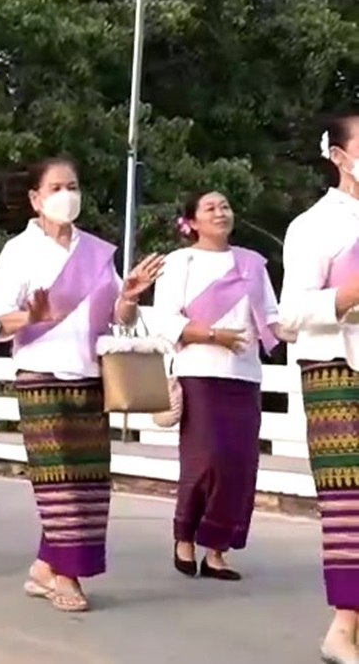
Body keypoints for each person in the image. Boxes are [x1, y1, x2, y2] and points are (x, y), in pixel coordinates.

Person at [0, 157, 162, 613]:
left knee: (88, 482)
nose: (67, 195)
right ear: (36, 198)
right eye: (57, 187)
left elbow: (117, 318)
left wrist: (128, 295)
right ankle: (67, 576)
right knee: (59, 480)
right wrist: (33, 317)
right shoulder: (19, 252)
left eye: (73, 186)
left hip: (90, 377)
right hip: (42, 376)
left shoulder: (97, 253)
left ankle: (46, 567)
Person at [152, 191, 282, 581]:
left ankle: (217, 550)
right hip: (200, 373)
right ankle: (185, 539)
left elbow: (271, 317)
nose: (221, 212)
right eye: (210, 208)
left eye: (224, 206)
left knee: (239, 465)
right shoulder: (181, 262)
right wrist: (213, 336)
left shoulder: (252, 264)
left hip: (244, 376)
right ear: (191, 222)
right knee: (205, 460)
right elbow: (166, 319)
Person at [277, 113, 359, 664]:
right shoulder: (313, 226)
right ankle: (344, 626)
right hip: (336, 367)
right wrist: (346, 296)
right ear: (339, 156)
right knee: (351, 497)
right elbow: (288, 315)